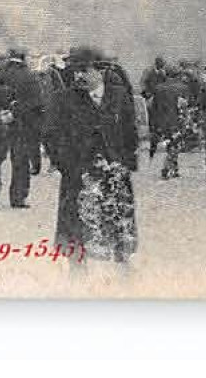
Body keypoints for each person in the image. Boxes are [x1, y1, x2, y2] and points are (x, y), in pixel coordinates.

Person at [45, 46, 139, 264]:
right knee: (76, 234)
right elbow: (50, 136)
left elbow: (130, 133)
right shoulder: (63, 99)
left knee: (117, 228)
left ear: (100, 71)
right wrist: (67, 166)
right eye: (74, 70)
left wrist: (123, 163)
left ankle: (119, 269)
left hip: (113, 175)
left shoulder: (119, 96)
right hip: (78, 175)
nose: (77, 76)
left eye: (83, 70)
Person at [0, 48, 44, 209]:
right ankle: (18, 197)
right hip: (22, 124)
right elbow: (37, 102)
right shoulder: (30, 76)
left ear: (10, 57)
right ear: (24, 58)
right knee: (20, 161)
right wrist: (15, 113)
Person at [146, 67, 188, 180]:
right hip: (175, 121)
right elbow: (182, 103)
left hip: (161, 123)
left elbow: (150, 105)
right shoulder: (180, 88)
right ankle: (166, 167)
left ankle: (175, 168)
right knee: (175, 145)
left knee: (171, 144)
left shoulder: (158, 88)